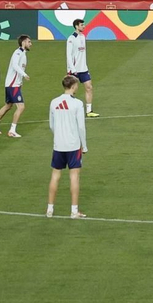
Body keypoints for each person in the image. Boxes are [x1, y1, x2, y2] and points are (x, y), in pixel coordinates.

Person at [47, 74, 88, 218]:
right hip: (73, 145)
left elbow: (51, 125)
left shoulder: (54, 102)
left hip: (58, 145)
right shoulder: (77, 104)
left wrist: (58, 136)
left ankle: (50, 209)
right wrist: (85, 145)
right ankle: (74, 211)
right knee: (74, 177)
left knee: (55, 175)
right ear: (73, 86)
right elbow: (81, 127)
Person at [0, 35, 33, 137]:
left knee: (8, 105)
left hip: (13, 84)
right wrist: (24, 75)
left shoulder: (23, 54)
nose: (30, 44)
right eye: (29, 42)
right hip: (12, 84)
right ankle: (12, 130)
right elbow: (15, 65)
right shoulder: (18, 52)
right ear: (23, 42)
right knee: (21, 106)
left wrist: (20, 81)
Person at [66, 18, 98, 118]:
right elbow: (68, 55)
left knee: (89, 87)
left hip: (83, 69)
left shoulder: (83, 36)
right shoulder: (71, 38)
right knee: (71, 91)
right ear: (76, 26)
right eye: (82, 25)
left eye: (84, 25)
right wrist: (72, 69)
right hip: (74, 70)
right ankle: (69, 111)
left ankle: (89, 111)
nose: (84, 26)